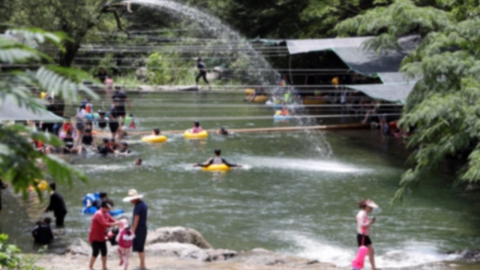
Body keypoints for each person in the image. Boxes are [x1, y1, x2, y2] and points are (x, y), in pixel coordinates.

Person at [88, 200, 120, 270]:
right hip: (95, 236)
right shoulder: (98, 214)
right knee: (96, 252)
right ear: (105, 207)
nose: (110, 209)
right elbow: (104, 224)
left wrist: (119, 222)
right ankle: (90, 267)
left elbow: (112, 220)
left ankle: (104, 267)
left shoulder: (106, 213)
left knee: (104, 251)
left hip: (101, 236)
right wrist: (115, 224)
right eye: (109, 208)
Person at [123, 189, 148, 270]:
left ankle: (142, 266)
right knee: (141, 248)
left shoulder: (138, 206)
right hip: (143, 227)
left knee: (140, 248)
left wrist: (133, 231)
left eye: (131, 200)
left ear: (134, 199)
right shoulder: (144, 204)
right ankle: (142, 265)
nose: (131, 202)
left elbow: (136, 219)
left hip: (139, 229)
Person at [356, 199, 379, 270]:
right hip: (362, 236)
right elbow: (362, 224)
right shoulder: (361, 213)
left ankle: (373, 268)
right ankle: (356, 268)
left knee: (371, 251)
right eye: (371, 207)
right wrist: (370, 222)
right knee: (362, 253)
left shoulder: (365, 213)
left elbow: (364, 223)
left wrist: (370, 221)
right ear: (366, 207)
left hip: (365, 236)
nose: (372, 209)